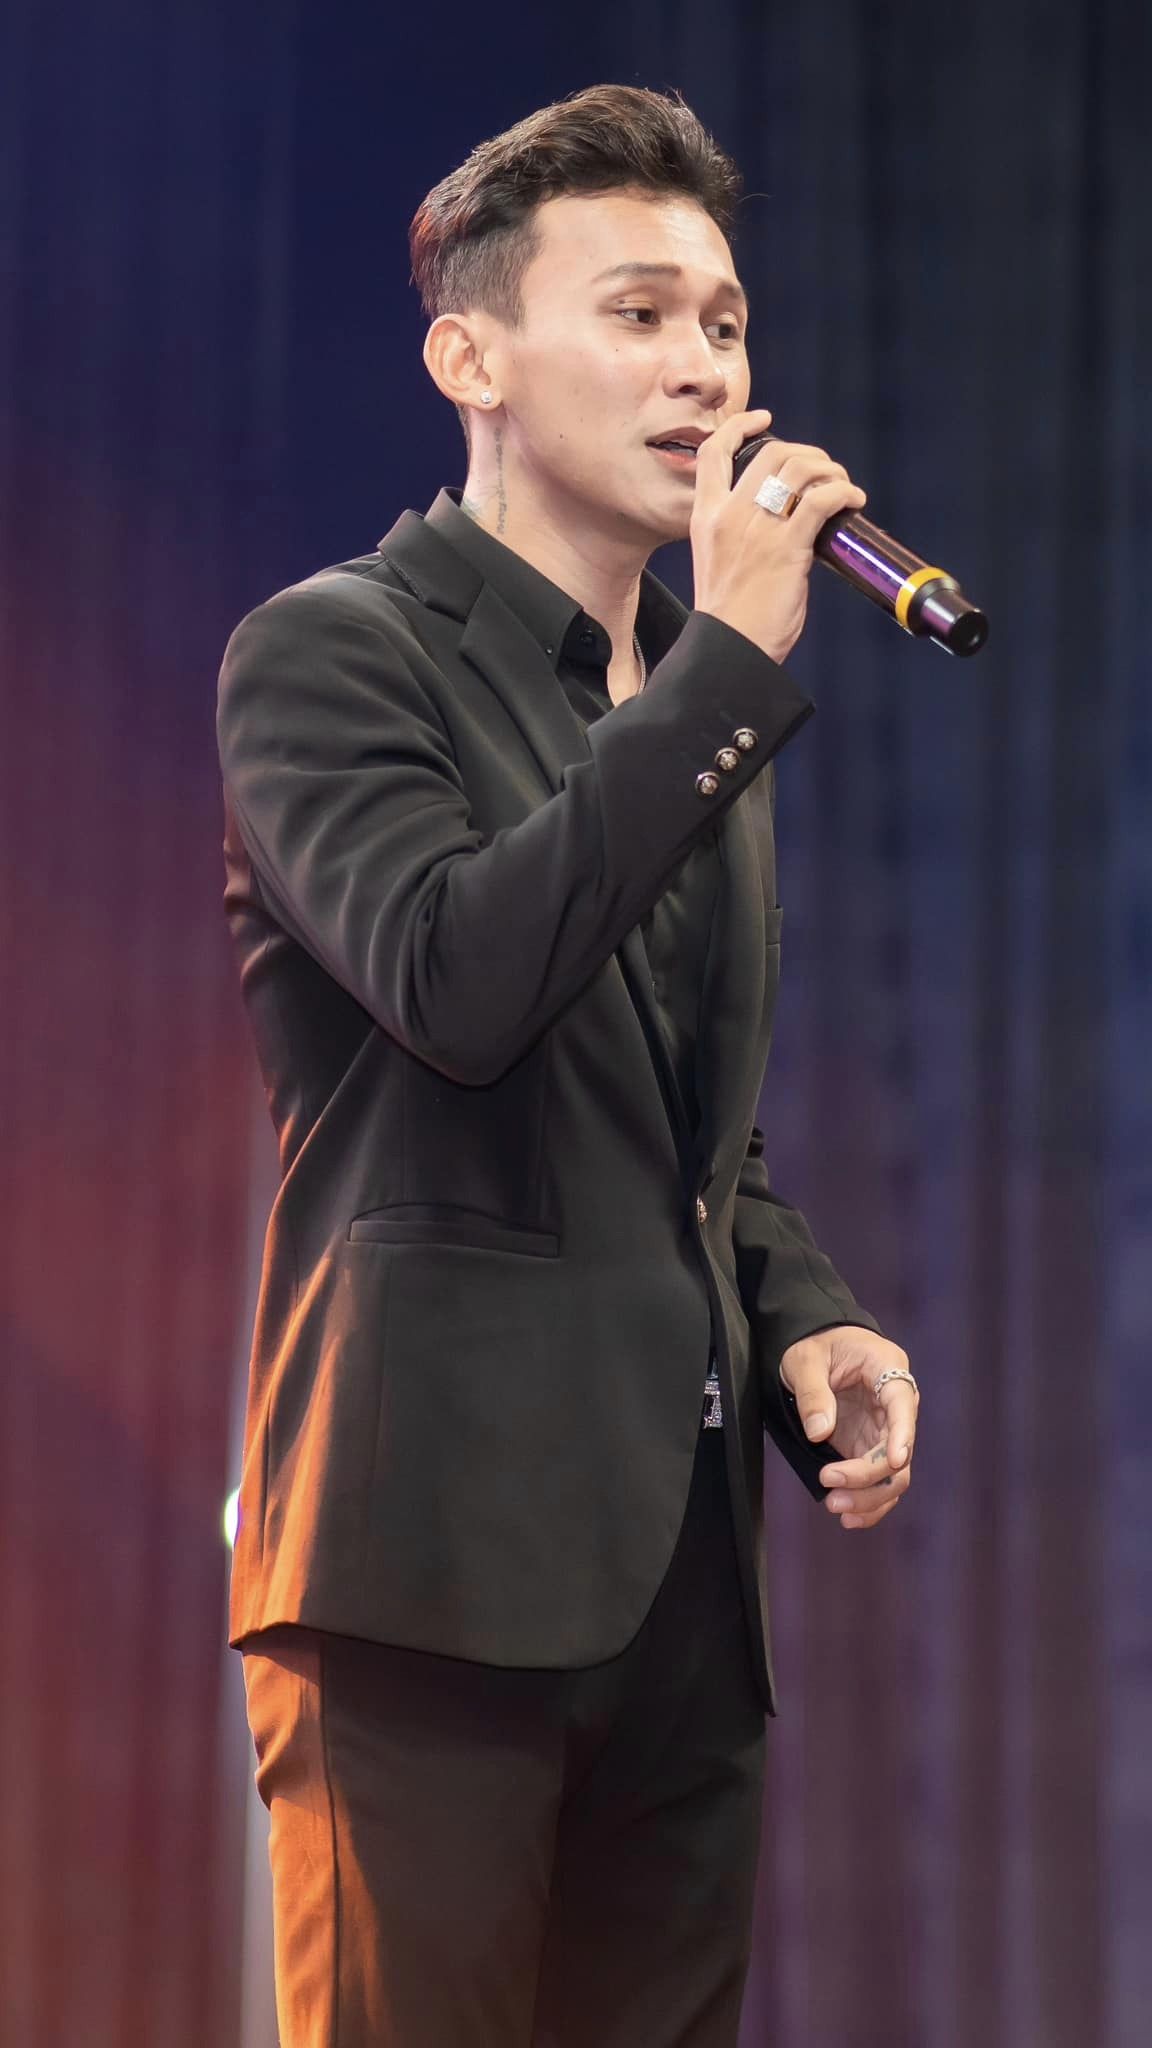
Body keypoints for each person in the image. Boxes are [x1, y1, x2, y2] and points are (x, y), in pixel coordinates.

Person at [217, 82, 920, 2048]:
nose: (704, 366)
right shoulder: (333, 653)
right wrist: (724, 680)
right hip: (427, 1569)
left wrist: (803, 1313)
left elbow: (686, 1132)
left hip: (681, 1587)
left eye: (725, 322)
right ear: (475, 361)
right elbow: (459, 980)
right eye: (638, 315)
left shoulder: (689, 706)